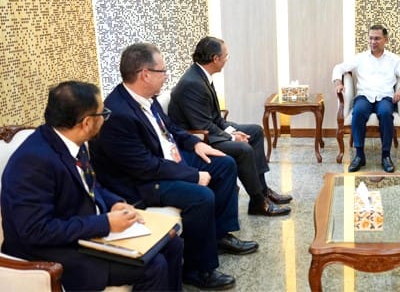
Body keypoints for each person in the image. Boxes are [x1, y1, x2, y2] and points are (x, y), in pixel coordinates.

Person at [90, 43, 256, 291]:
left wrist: (195, 144)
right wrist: (193, 175)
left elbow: (171, 128)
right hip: (140, 183)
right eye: (163, 71)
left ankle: (219, 235)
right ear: (145, 74)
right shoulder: (118, 114)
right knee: (201, 196)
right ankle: (198, 270)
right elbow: (145, 167)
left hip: (166, 160)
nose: (166, 76)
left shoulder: (147, 98)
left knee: (224, 164)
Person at [1, 81, 183, 291]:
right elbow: (36, 230)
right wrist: (105, 223)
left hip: (83, 231)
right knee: (153, 266)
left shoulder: (71, 141)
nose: (105, 118)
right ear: (87, 122)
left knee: (172, 243)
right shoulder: (33, 162)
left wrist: (114, 203)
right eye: (103, 113)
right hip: (50, 250)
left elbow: (90, 185)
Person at [168, 36, 291, 216]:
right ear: (215, 58)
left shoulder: (201, 75)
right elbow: (203, 125)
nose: (227, 60)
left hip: (207, 129)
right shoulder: (192, 83)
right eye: (226, 56)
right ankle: (258, 201)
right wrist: (232, 138)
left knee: (255, 131)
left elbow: (215, 117)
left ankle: (263, 190)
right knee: (243, 149)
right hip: (197, 137)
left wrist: (233, 132)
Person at [331, 24, 400, 173]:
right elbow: (339, 68)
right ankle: (359, 155)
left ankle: (385, 156)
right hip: (364, 96)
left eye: (377, 38)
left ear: (385, 40)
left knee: (385, 113)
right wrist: (338, 82)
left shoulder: (393, 59)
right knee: (358, 112)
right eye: (370, 38)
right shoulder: (360, 58)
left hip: (385, 97)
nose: (373, 42)